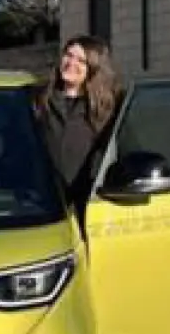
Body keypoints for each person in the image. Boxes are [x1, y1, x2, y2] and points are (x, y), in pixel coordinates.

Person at [34, 36, 126, 217]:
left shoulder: (107, 109)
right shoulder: (39, 100)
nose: (71, 63)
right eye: (68, 55)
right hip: (42, 203)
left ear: (93, 68)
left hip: (89, 205)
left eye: (81, 60)